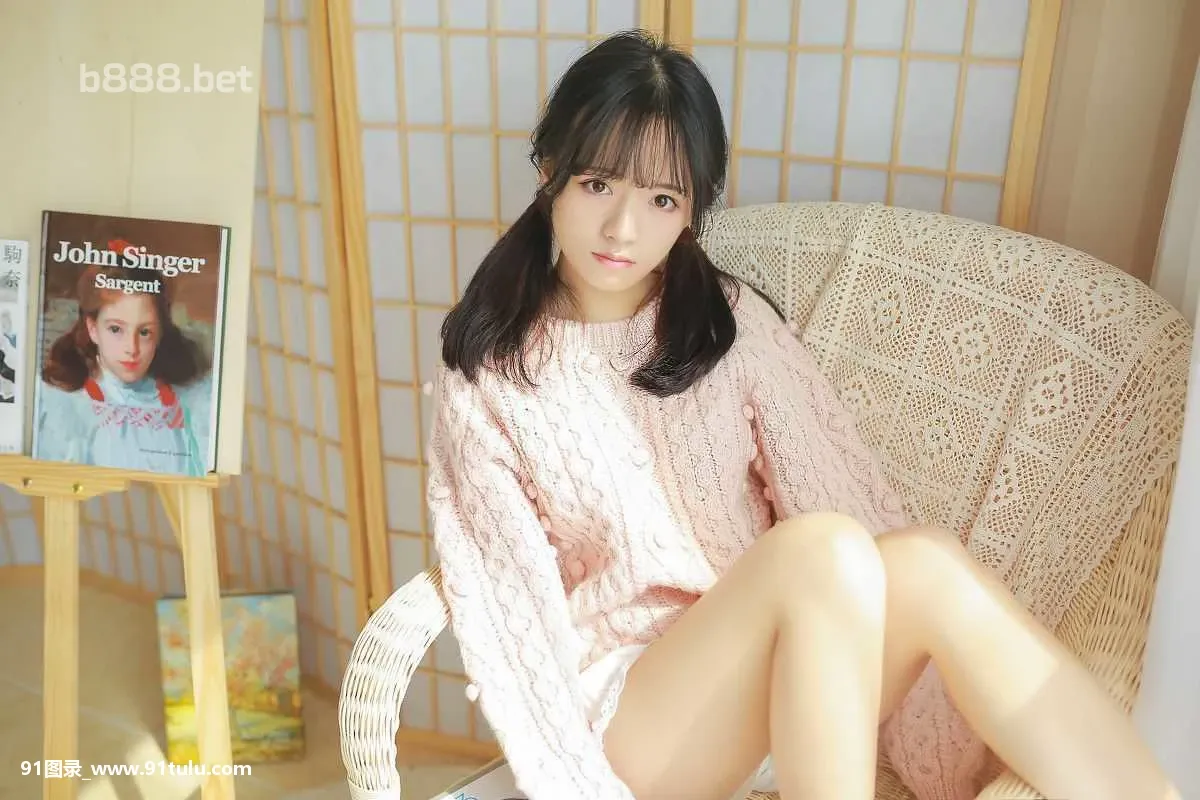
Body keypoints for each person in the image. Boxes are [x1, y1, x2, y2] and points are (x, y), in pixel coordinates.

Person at [424, 29, 1179, 800]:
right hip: (634, 728)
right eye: (596, 185)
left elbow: (845, 510)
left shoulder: (726, 323)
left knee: (924, 561)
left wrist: (933, 749)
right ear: (549, 171)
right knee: (819, 550)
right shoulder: (486, 374)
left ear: (691, 212)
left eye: (662, 199)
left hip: (783, 692)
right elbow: (510, 612)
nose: (624, 228)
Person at [36, 264, 212, 476]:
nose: (131, 348)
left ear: (159, 335)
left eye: (145, 332)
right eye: (116, 329)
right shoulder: (65, 404)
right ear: (93, 329)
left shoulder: (187, 403)